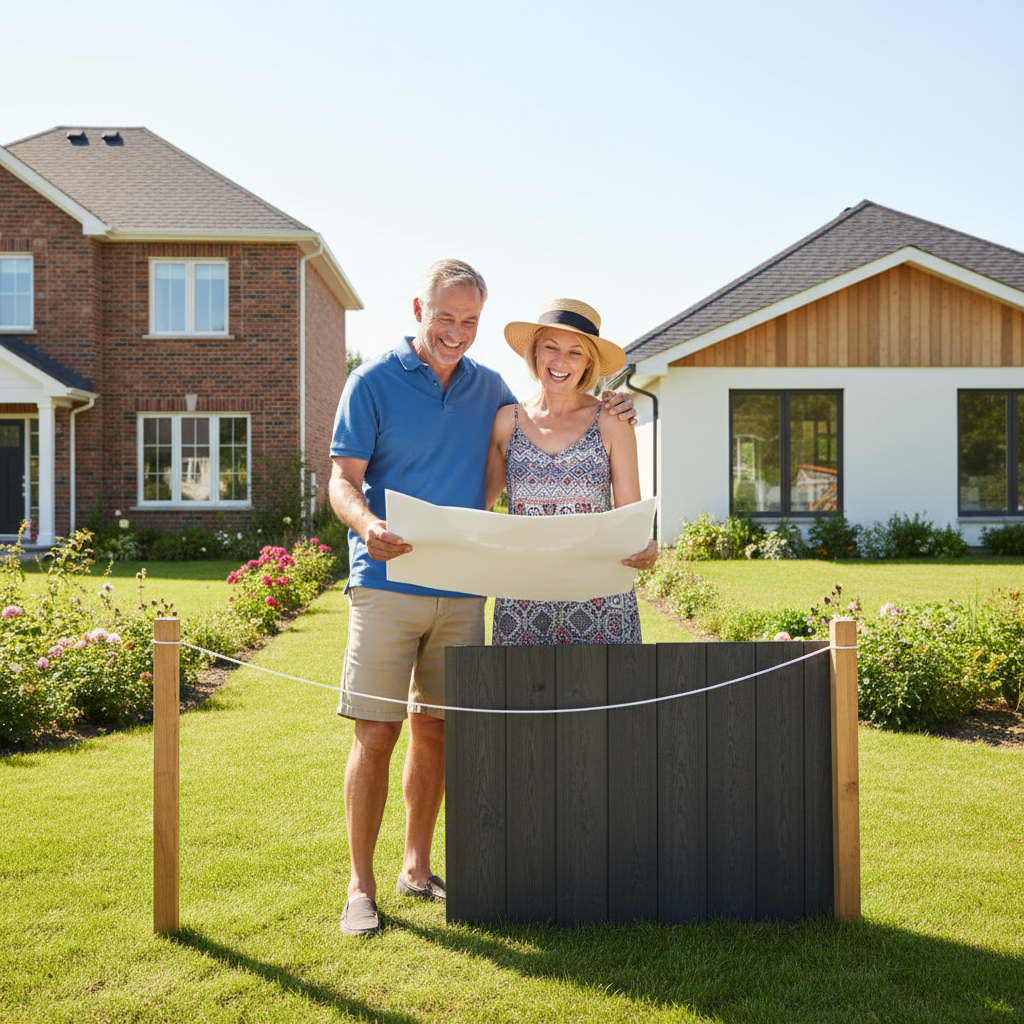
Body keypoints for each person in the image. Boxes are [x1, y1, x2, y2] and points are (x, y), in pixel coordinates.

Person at [328, 261, 647, 938]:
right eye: (445, 317)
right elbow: (349, 482)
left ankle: (420, 867)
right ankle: (361, 887)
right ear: (419, 308)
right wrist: (368, 526)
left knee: (444, 729)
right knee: (378, 730)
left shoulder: (490, 392)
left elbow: (543, 488)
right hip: (391, 584)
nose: (456, 332)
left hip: (469, 591)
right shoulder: (382, 383)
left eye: (469, 321)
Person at [485, 298, 656, 646]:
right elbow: (477, 507)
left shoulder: (612, 421)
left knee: (603, 698)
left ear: (588, 362)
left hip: (600, 601)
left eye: (575, 352)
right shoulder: (506, 422)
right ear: (535, 352)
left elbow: (630, 518)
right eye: (551, 347)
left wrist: (645, 548)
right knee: (522, 698)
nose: (560, 361)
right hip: (523, 601)